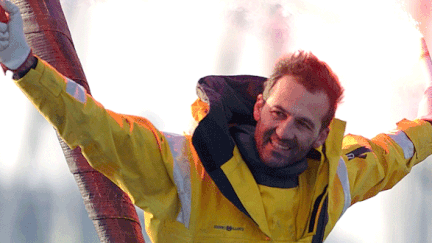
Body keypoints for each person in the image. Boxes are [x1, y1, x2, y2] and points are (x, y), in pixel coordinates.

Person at [1, 1, 432, 242]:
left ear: (322, 134)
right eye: (278, 114)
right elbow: (93, 127)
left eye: (302, 124)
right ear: (259, 106)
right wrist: (23, 63)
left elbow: (397, 152)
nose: (284, 132)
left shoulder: (335, 175)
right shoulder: (180, 167)